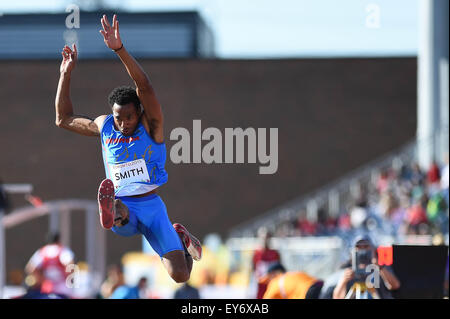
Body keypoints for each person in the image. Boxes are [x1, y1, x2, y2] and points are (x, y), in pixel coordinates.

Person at [54, 14, 202, 284]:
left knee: (180, 275)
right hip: (125, 208)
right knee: (118, 215)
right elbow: (63, 119)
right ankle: (111, 210)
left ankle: (179, 238)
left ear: (140, 113)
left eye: (129, 117)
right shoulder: (106, 126)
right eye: (118, 117)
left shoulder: (152, 126)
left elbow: (144, 86)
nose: (123, 123)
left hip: (153, 207)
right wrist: (65, 74)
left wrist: (119, 50)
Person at [332, 235, 400, 299]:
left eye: (366, 246)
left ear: (373, 249)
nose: (362, 250)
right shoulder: (347, 269)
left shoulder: (381, 266)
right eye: (359, 247)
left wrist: (379, 267)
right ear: (353, 251)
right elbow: (336, 297)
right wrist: (343, 281)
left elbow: (395, 285)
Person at [25, 232, 75, 298]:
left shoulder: (42, 251)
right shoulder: (63, 250)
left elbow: (30, 268)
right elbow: (70, 267)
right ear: (59, 240)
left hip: (46, 288)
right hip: (62, 289)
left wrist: (40, 279)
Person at [251, 228, 281, 299]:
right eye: (263, 238)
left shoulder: (275, 253)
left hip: (272, 284)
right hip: (260, 285)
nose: (264, 240)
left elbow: (280, 269)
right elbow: (253, 268)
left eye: (267, 238)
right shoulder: (256, 253)